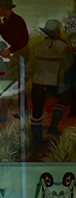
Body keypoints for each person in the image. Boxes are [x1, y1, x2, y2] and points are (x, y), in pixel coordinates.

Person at [30, 19, 73, 150]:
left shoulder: (38, 46)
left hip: (37, 83)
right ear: (57, 32)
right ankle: (53, 126)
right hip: (54, 83)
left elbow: (32, 66)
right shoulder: (63, 46)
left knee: (36, 112)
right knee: (65, 98)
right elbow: (68, 65)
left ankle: (36, 143)